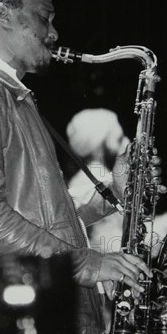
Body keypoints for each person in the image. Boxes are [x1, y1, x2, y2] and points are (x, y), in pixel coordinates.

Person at [0, 0, 150, 334]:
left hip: (44, 307)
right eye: (43, 17)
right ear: (2, 15)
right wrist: (84, 263)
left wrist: (113, 192)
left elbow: (42, 214)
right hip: (21, 319)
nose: (53, 33)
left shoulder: (7, 92)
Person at [66, 108, 130, 255]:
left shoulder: (99, 175)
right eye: (120, 138)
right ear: (102, 143)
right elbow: (107, 244)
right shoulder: (87, 180)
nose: (126, 142)